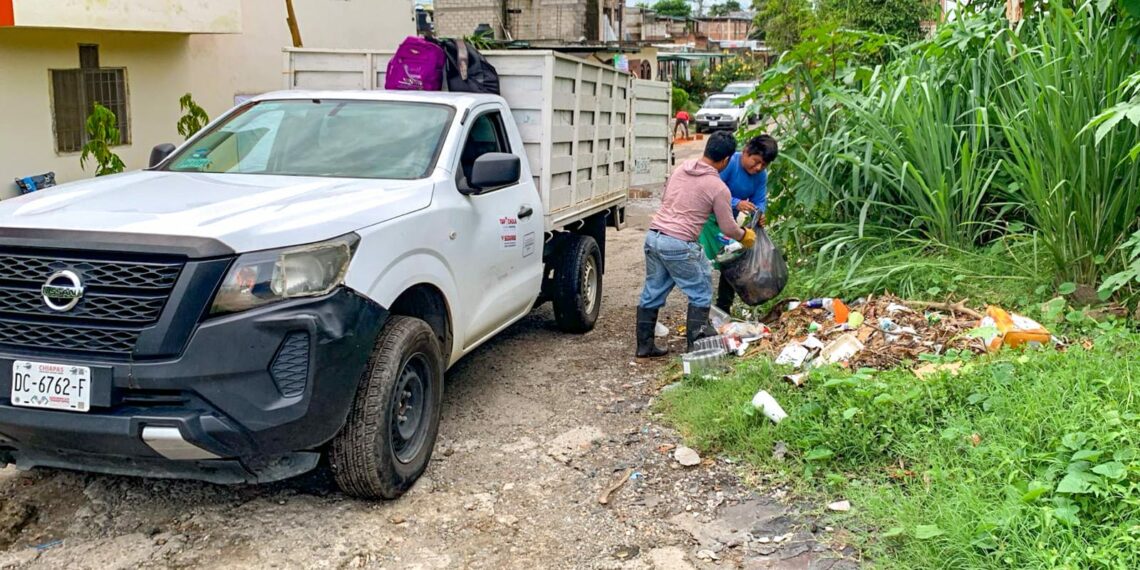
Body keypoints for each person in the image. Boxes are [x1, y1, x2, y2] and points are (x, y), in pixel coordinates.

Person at [636, 132, 758, 358]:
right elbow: (728, 228)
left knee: (653, 290)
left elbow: (667, 200)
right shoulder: (718, 187)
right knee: (701, 292)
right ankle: (697, 348)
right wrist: (745, 236)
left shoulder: (681, 169)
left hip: (654, 236)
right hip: (679, 243)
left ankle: (644, 346)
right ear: (726, 160)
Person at [713, 134, 779, 314]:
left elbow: (759, 200)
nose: (758, 168)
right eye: (756, 161)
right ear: (745, 151)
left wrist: (759, 214)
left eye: (763, 165)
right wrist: (736, 203)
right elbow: (712, 189)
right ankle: (699, 306)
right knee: (708, 262)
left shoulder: (760, 176)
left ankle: (723, 308)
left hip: (727, 221)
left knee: (732, 258)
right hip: (709, 218)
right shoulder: (730, 163)